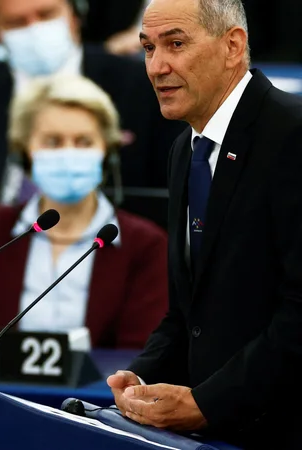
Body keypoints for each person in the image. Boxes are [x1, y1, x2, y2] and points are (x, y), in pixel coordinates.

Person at [106, 0, 302, 447]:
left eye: (175, 44)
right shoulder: (185, 151)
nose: (157, 67)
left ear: (233, 45)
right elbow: (188, 311)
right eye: (147, 48)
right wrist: (141, 376)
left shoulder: (292, 135)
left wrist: (207, 403)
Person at [0, 0, 185, 228]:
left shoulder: (142, 88)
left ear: (74, 14)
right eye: (17, 23)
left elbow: (174, 195)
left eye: (46, 15)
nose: (34, 30)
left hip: (117, 253)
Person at [0, 75, 168, 349]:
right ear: (25, 150)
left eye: (83, 142)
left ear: (107, 150)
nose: (69, 153)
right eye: (53, 142)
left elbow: (139, 354)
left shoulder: (146, 243)